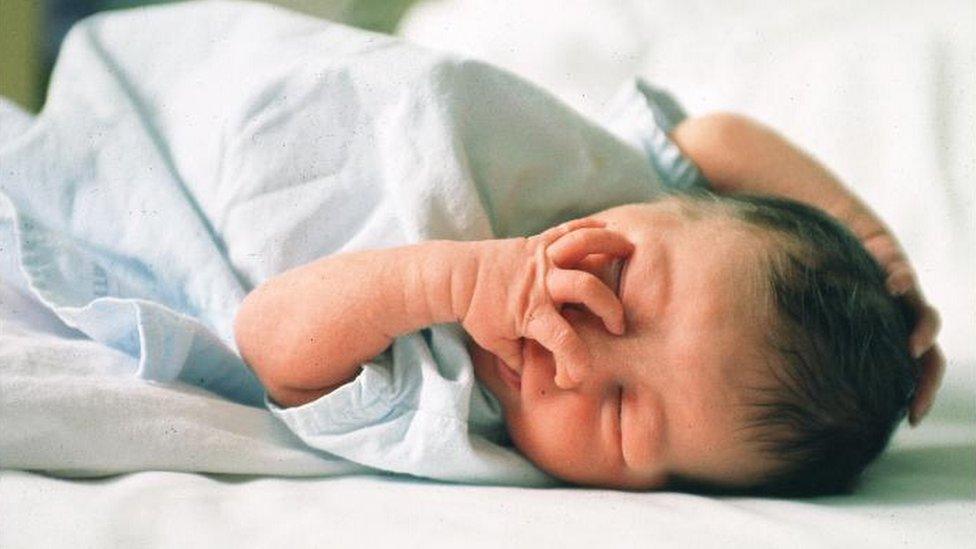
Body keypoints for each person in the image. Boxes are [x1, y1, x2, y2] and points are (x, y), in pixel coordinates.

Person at [235, 110, 944, 497]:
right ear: (671, 204)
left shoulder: (449, 410)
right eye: (626, 283)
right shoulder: (605, 179)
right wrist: (876, 248)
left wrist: (454, 282)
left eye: (620, 413)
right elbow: (717, 138)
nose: (571, 345)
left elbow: (270, 339)